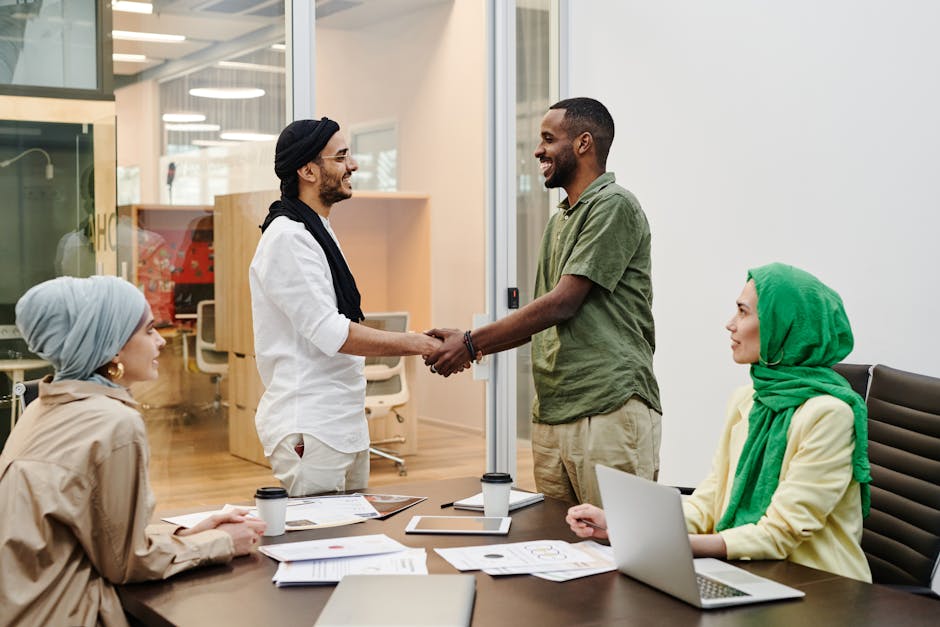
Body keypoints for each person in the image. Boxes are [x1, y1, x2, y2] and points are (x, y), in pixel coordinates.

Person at [567, 263, 873, 582]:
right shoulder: (747, 400)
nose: (730, 324)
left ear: (780, 325)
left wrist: (666, 545)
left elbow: (780, 533)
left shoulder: (831, 415)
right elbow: (709, 504)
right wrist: (625, 526)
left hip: (819, 586)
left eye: (743, 312)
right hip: (748, 572)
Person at [425, 97, 661, 506]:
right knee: (561, 547)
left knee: (615, 546)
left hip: (607, 406)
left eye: (548, 139)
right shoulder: (561, 219)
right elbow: (544, 315)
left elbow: (561, 304)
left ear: (584, 143)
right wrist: (472, 342)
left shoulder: (614, 205)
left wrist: (470, 342)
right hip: (555, 409)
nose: (538, 151)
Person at [0, 276, 266, 627]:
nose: (160, 343)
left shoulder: (40, 409)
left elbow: (93, 536)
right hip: (70, 612)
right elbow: (128, 563)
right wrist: (220, 541)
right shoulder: (113, 422)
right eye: (149, 330)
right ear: (113, 346)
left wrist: (188, 533)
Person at [250, 118, 441, 497]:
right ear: (307, 170)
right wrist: (421, 344)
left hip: (341, 422)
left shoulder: (314, 228)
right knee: (322, 545)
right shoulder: (289, 238)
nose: (352, 165)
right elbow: (333, 333)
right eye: (340, 157)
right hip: (312, 424)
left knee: (352, 540)